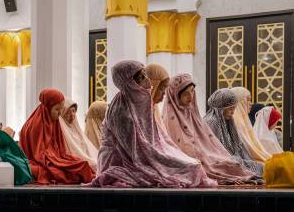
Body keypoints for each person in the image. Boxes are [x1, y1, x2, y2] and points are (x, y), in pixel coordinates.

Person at [91, 60, 215, 188]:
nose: (147, 82)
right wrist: (162, 159)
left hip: (146, 154)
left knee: (193, 165)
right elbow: (134, 152)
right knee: (187, 168)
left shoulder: (139, 102)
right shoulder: (121, 110)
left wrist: (167, 155)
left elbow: (154, 139)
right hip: (121, 160)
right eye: (141, 77)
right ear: (128, 82)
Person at [162, 74, 258, 184]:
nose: (191, 97)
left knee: (232, 164)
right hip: (191, 159)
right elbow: (183, 148)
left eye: (192, 91)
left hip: (206, 156)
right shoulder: (171, 118)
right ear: (175, 96)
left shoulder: (193, 114)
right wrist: (206, 157)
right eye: (185, 94)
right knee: (221, 165)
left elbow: (214, 146)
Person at [19, 88, 95, 184]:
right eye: (57, 109)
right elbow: (38, 155)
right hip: (42, 161)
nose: (60, 113)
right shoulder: (36, 124)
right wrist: (57, 160)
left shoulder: (54, 120)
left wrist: (61, 159)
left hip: (54, 158)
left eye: (61, 109)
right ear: (47, 107)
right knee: (61, 172)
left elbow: (60, 149)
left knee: (82, 164)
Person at [204, 88, 264, 176]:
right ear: (221, 108)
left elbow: (238, 145)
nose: (233, 112)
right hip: (217, 160)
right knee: (237, 163)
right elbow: (214, 151)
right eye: (230, 109)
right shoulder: (212, 122)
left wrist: (247, 161)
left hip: (230, 158)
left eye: (234, 108)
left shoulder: (228, 120)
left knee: (257, 165)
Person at [231, 87, 271, 162]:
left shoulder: (242, 120)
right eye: (248, 99)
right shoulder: (236, 122)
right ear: (239, 101)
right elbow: (248, 149)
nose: (251, 103)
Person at [59, 99, 98, 170]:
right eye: (68, 112)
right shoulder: (60, 131)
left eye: (73, 111)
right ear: (62, 113)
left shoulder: (76, 129)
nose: (72, 115)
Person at [145, 63, 170, 133]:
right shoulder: (142, 114)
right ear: (153, 86)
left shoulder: (155, 109)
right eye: (162, 88)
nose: (164, 93)